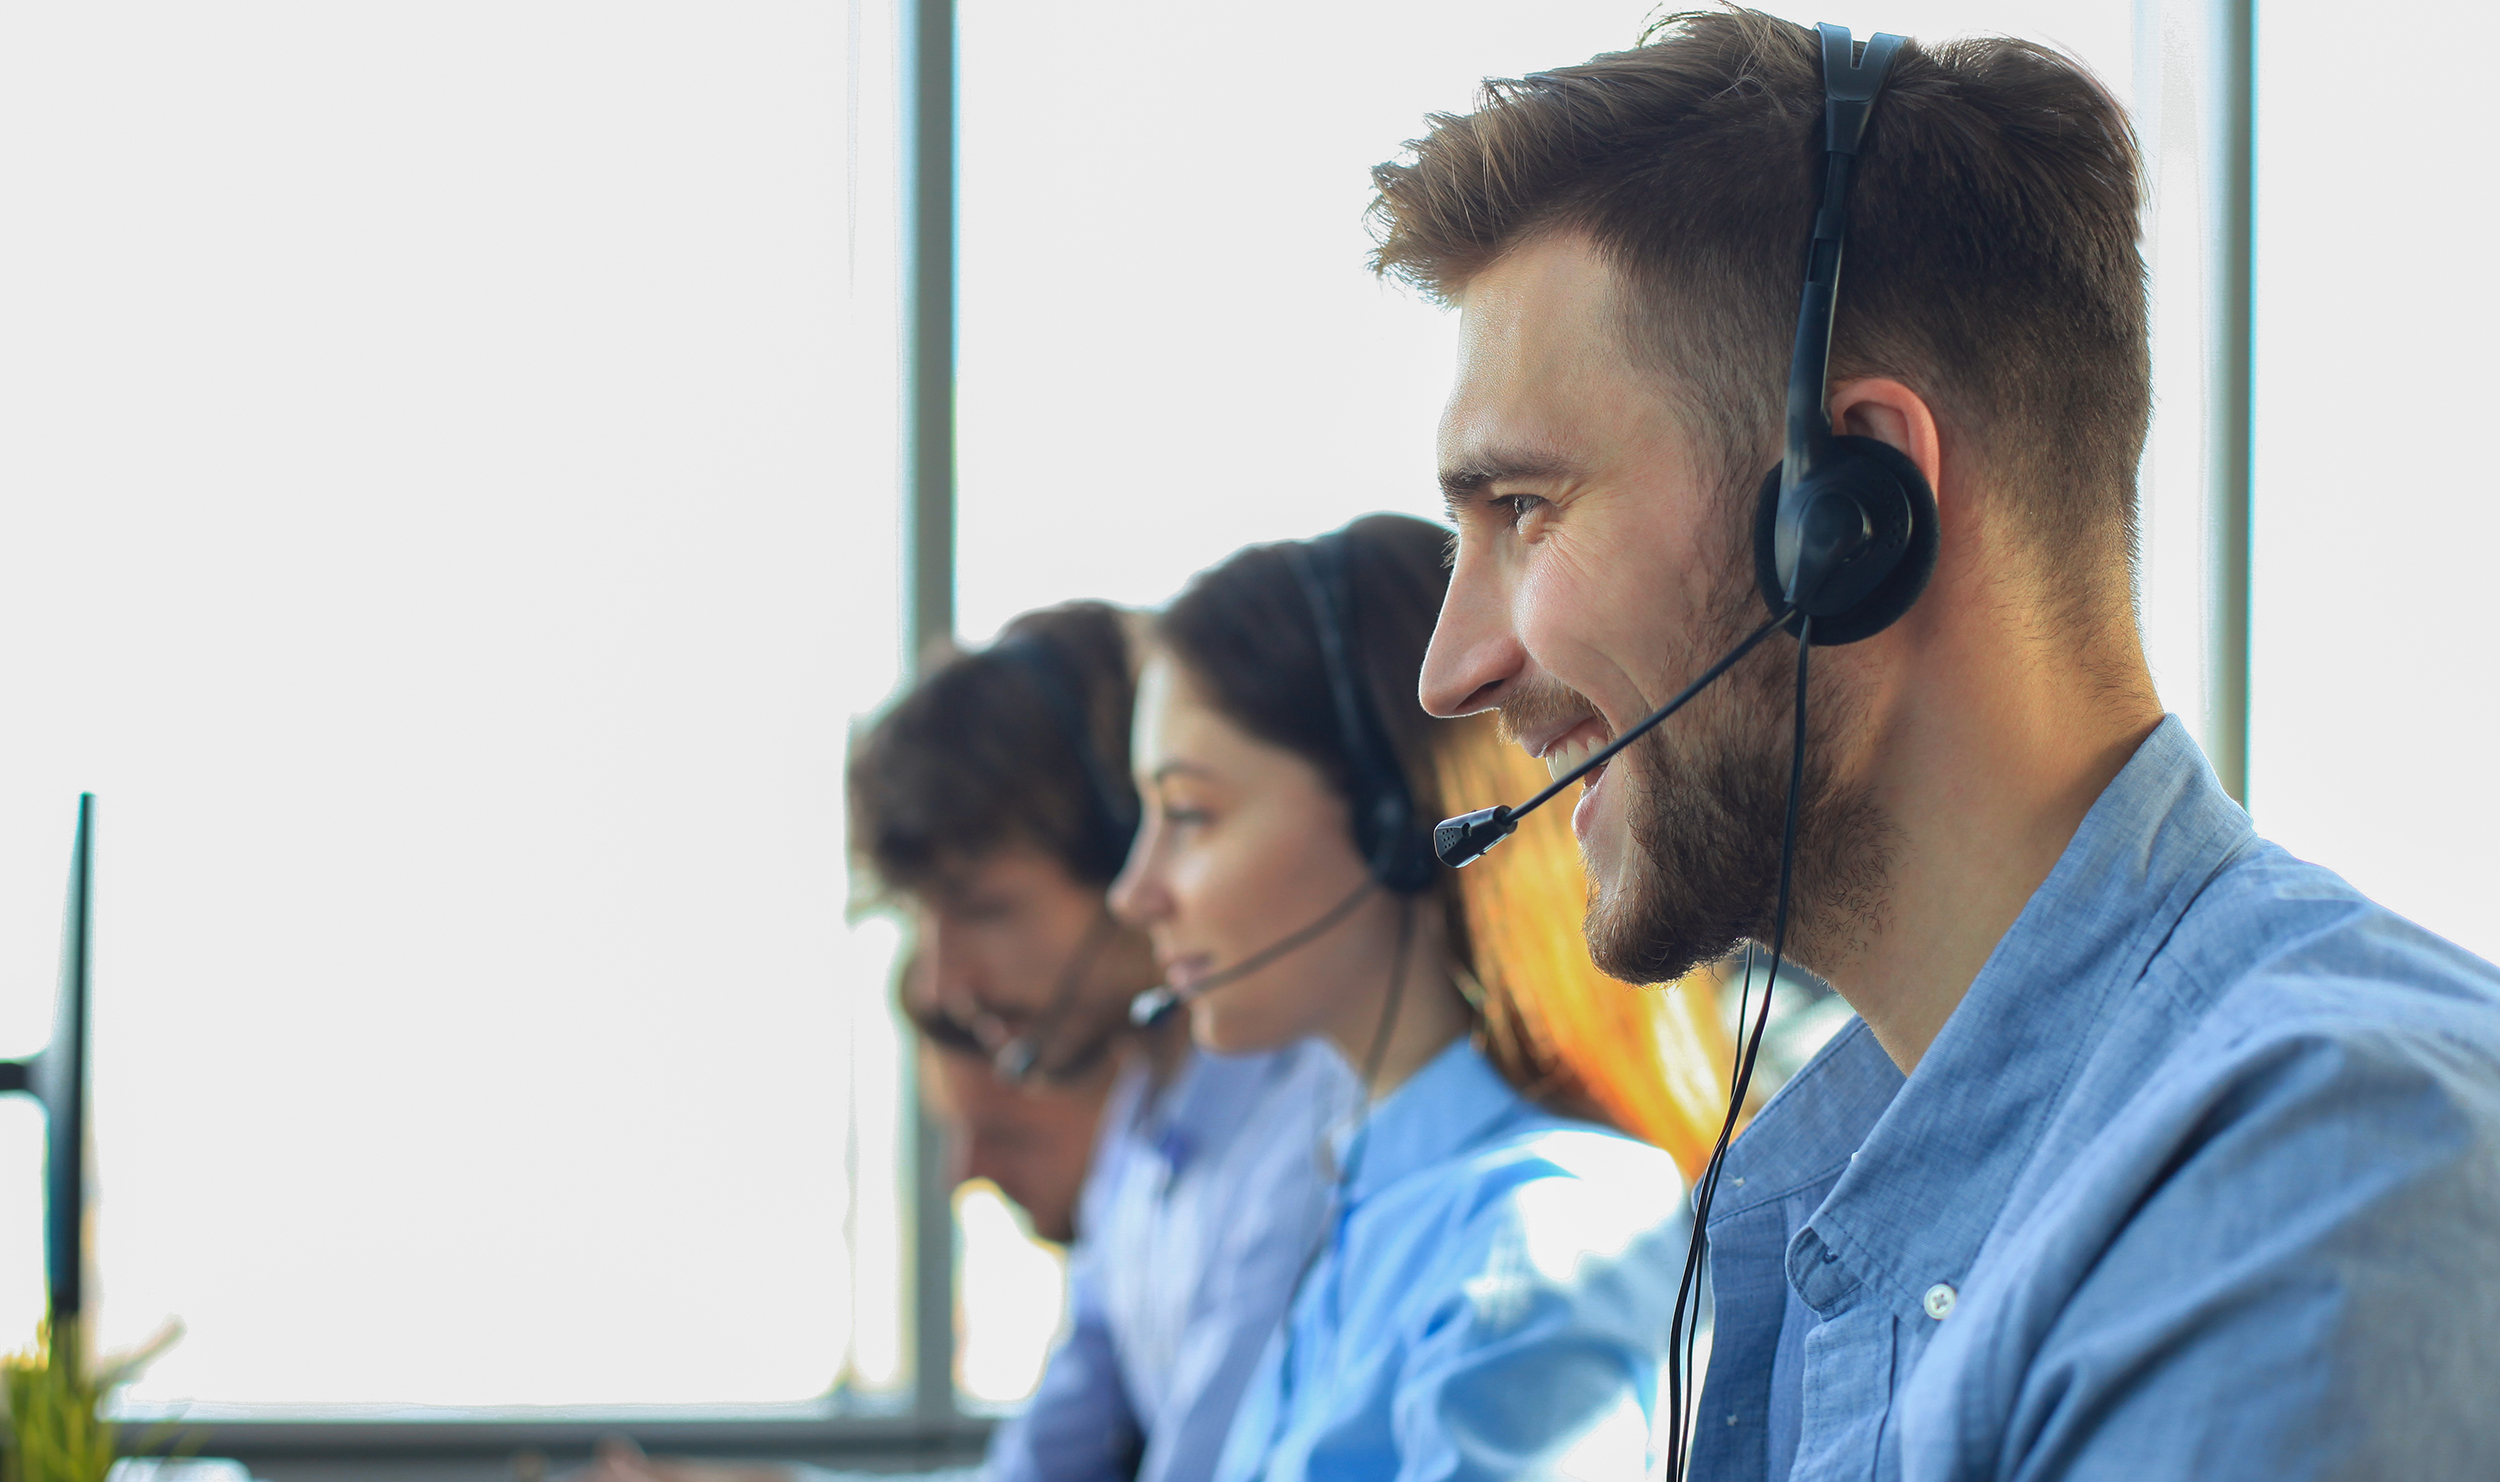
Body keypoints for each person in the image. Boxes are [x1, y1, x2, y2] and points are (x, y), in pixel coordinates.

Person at [1384, 10, 2500, 1478]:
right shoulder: (1863, 1199)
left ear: (1849, 513)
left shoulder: (2314, 1186)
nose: (1454, 671)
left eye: (1525, 508)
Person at [579, 601, 1353, 1482]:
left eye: (985, 910)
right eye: (926, 919)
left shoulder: (1304, 1133)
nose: (948, 981)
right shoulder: (1140, 1141)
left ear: (1129, 858)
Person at [1111, 515, 1732, 1482]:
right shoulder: (1372, 1206)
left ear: (1395, 818)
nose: (1134, 891)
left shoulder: (1536, 1247)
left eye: (1189, 815)